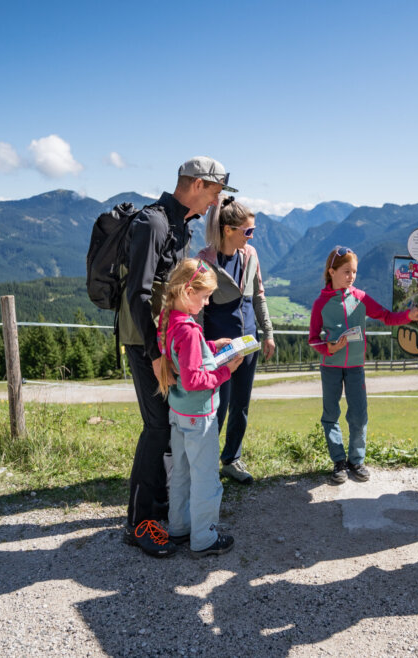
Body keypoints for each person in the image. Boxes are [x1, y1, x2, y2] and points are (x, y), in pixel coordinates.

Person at [122, 156, 236, 557]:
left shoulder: (179, 225)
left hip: (164, 341)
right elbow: (138, 292)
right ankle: (139, 523)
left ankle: (170, 517)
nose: (216, 202)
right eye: (215, 192)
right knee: (157, 428)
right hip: (147, 342)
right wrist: (156, 354)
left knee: (167, 431)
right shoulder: (154, 223)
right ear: (197, 184)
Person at [308, 246, 418, 484]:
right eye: (346, 271)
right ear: (331, 272)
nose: (351, 276)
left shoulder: (361, 298)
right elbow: (313, 339)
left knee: (359, 416)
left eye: (354, 272)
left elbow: (386, 316)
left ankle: (356, 461)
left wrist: (409, 316)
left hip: (356, 367)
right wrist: (329, 348)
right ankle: (339, 462)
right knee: (330, 415)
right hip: (330, 367)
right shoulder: (320, 303)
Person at [156, 258, 243, 557]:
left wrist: (210, 346)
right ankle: (204, 538)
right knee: (205, 478)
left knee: (181, 473)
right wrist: (226, 371)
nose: (207, 303)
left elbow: (184, 357)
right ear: (187, 290)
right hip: (200, 415)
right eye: (205, 297)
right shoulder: (190, 331)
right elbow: (195, 380)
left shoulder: (168, 318)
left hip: (178, 412)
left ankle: (179, 527)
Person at [197, 197, 276, 485]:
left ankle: (231, 459)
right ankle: (204, 463)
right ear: (228, 230)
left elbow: (258, 296)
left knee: (240, 404)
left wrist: (268, 333)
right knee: (217, 406)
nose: (251, 236)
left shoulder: (251, 255)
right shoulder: (205, 261)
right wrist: (200, 347)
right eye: (248, 231)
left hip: (248, 343)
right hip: (219, 348)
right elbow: (198, 310)